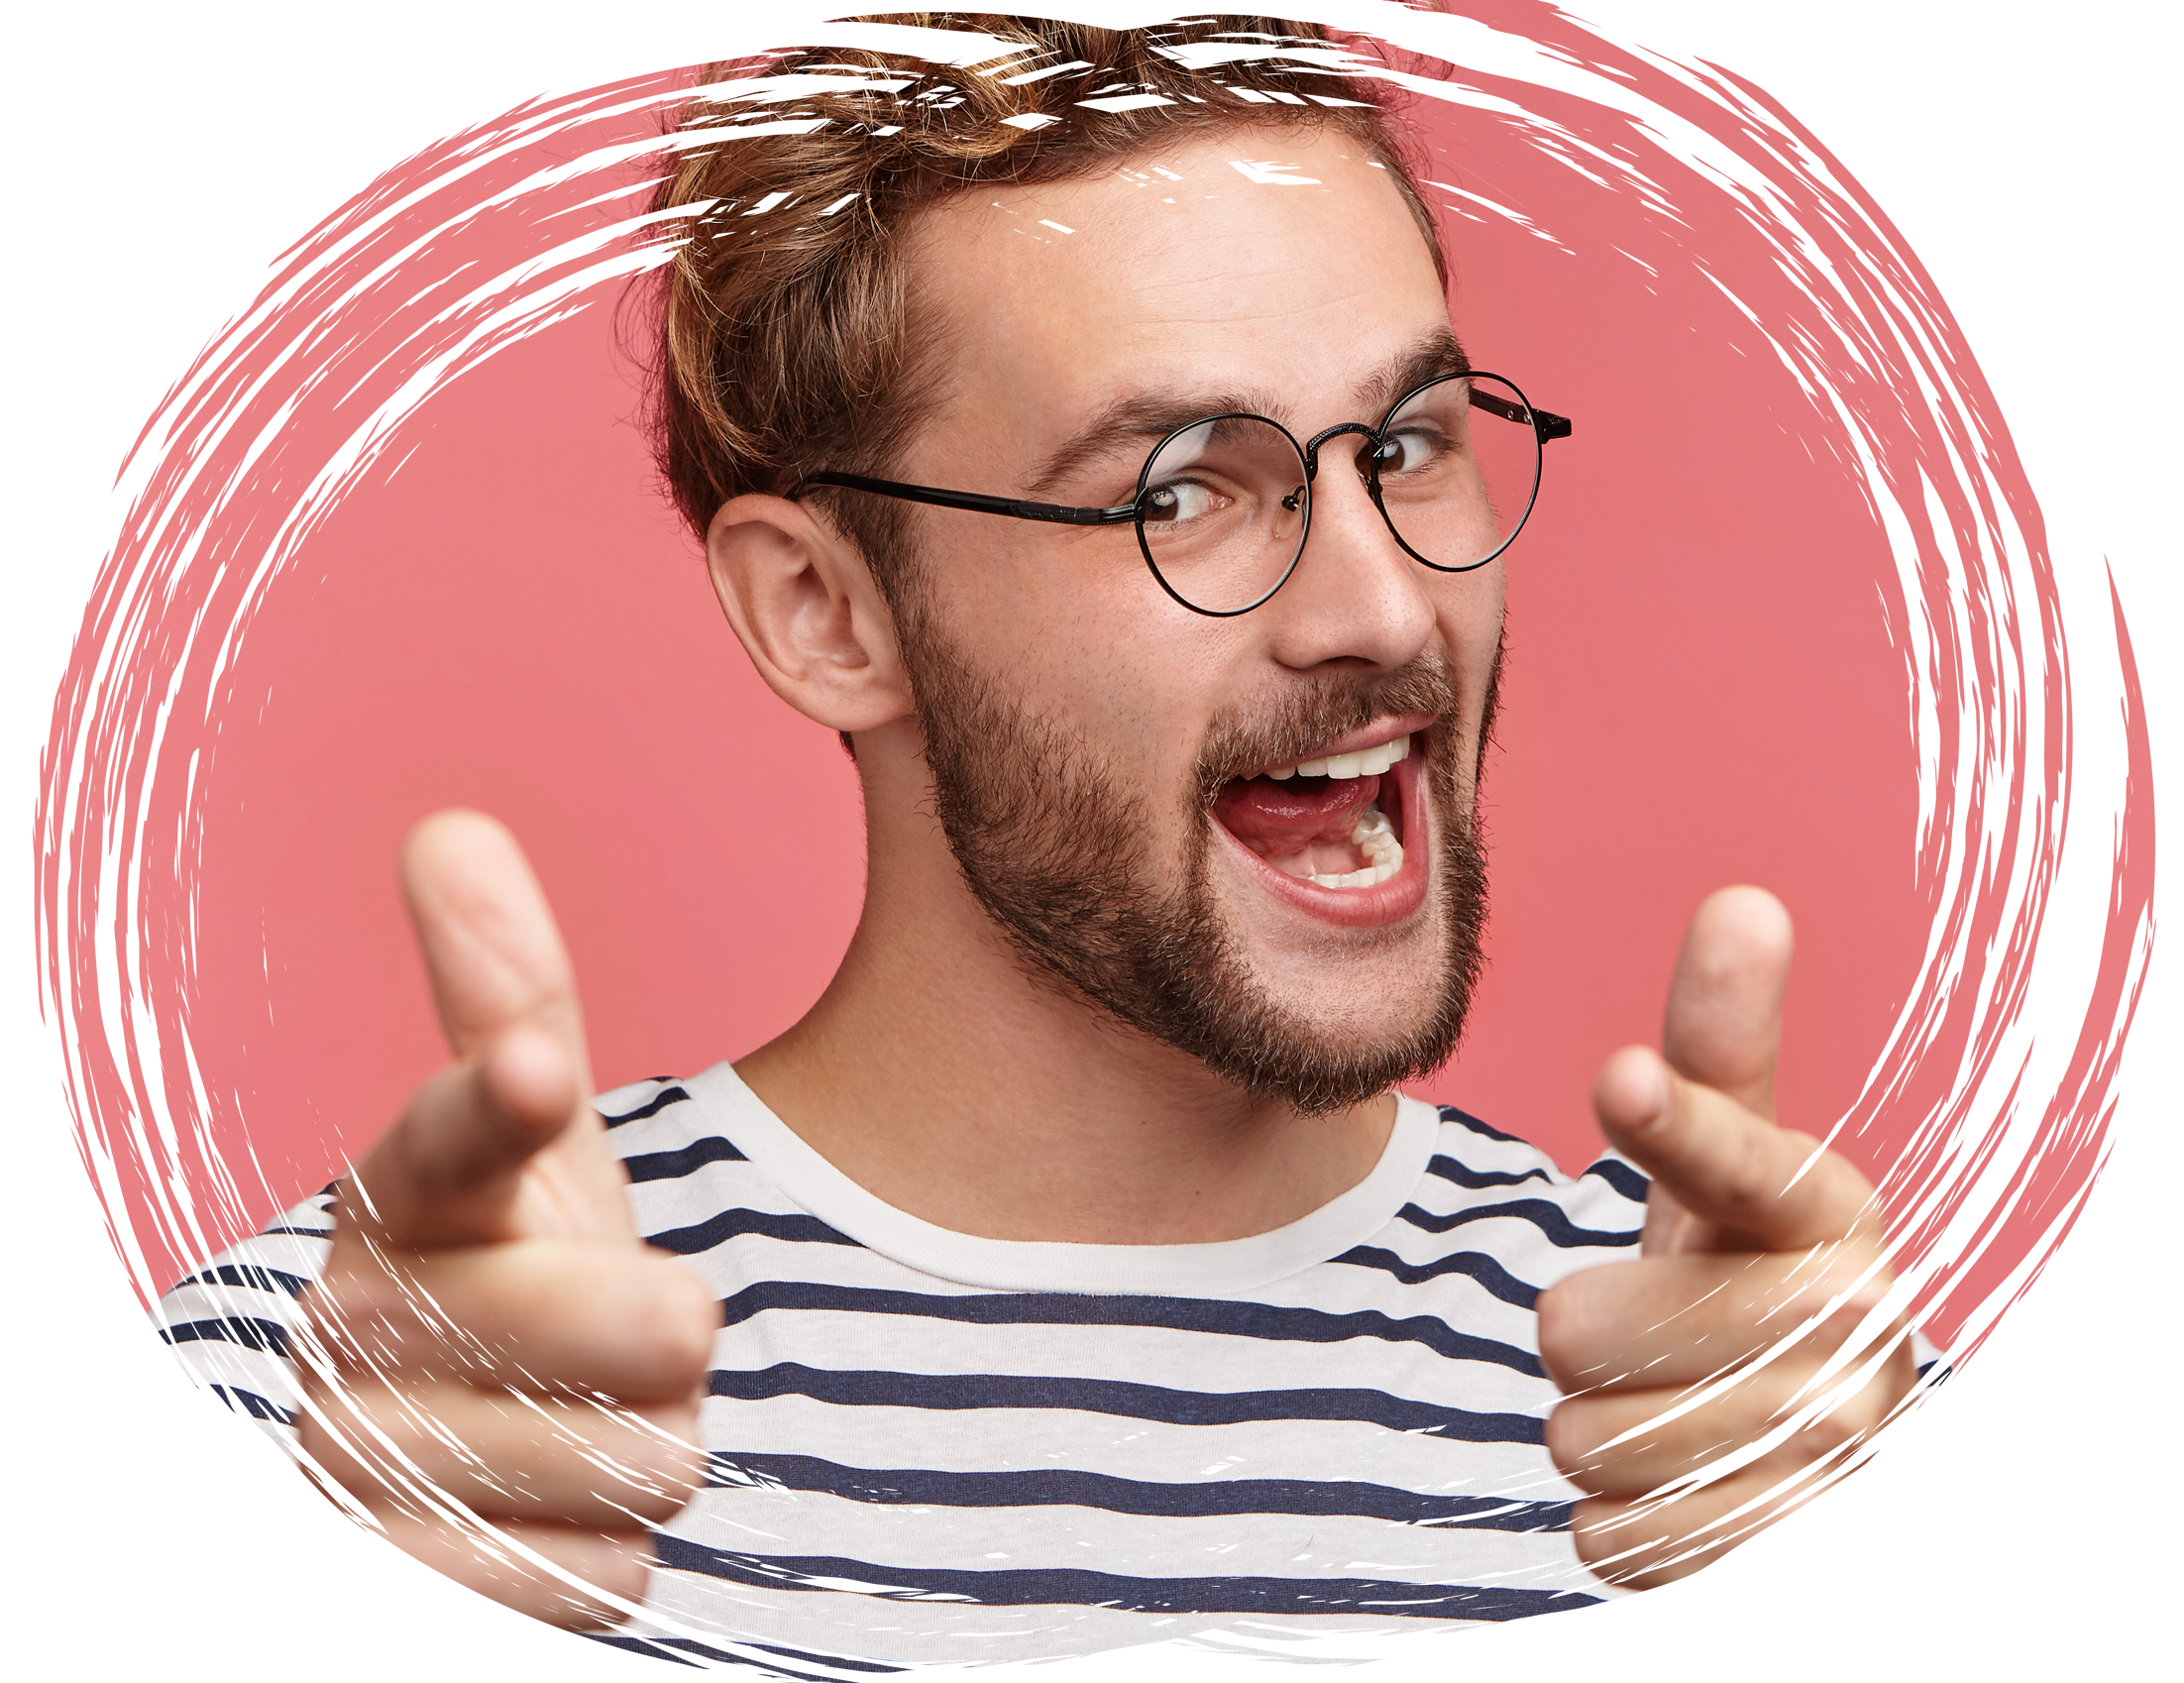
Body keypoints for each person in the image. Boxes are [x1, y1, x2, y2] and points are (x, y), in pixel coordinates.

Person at [36, 1, 2072, 1679]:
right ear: (828, 614)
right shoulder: (376, 1405)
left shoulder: (1768, 1418)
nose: (1375, 602)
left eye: (1412, 446)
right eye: (1188, 486)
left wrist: (1909, 1615)